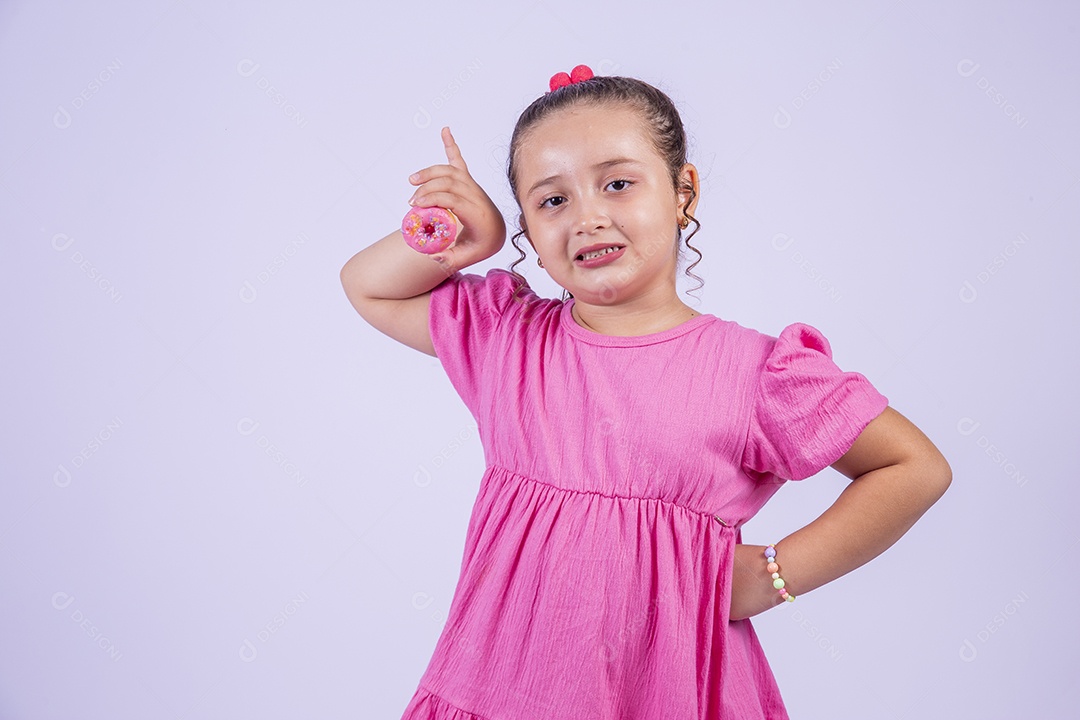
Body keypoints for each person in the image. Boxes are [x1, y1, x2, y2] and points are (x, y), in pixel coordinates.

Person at [340, 64, 952, 720]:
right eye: (552, 200)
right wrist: (472, 243)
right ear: (527, 229)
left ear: (683, 191)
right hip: (499, 690)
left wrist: (774, 574)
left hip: (670, 695)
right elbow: (367, 285)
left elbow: (915, 468)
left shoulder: (755, 374)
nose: (588, 217)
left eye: (618, 184)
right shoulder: (506, 337)